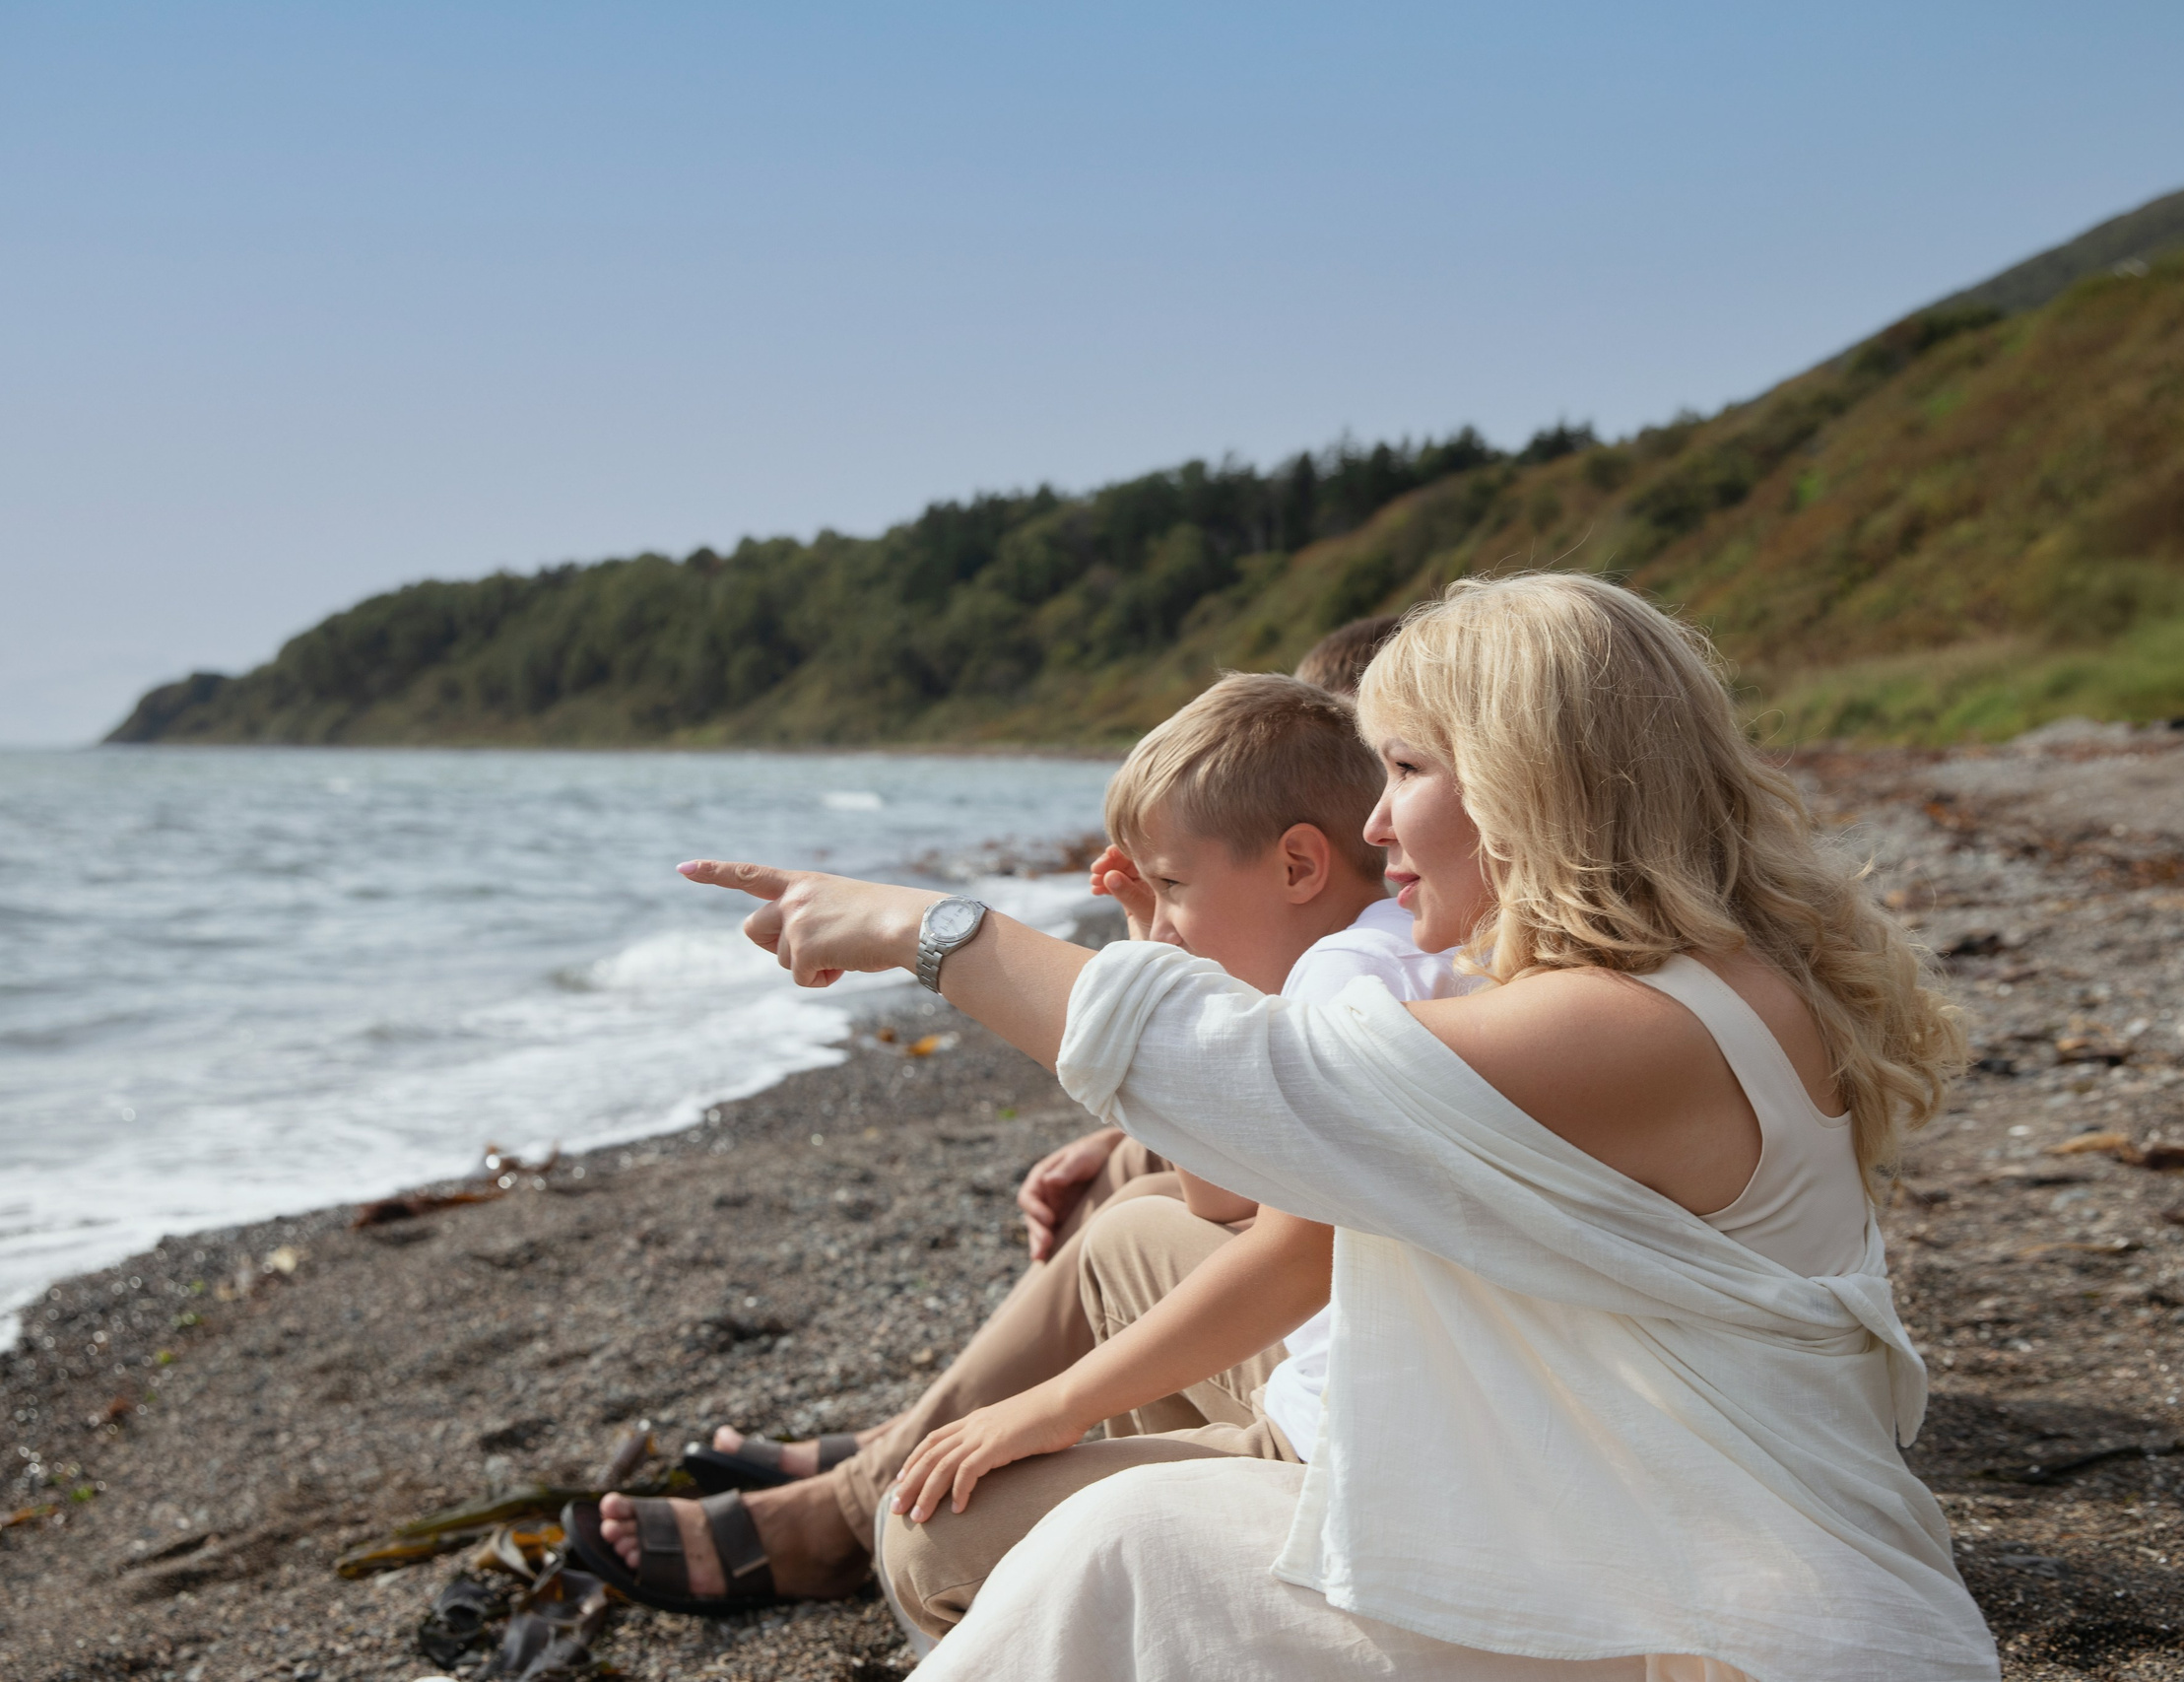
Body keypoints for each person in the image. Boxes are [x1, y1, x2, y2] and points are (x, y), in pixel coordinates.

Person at [661, 572, 2001, 1678]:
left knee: (1118, 1545)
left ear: (1530, 781)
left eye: (1407, 764)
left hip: (1705, 1624)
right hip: (1613, 1535)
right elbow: (1282, 1111)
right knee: (1123, 1529)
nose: (1374, 816)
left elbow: (1276, 1079)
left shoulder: (1645, 1026)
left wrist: (928, 926)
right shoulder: (1672, 981)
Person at [563, 671, 1449, 1614]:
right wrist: (1160, 943)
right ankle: (1164, 1569)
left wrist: (1053, 1405)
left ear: (1300, 867)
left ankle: (1166, 1578)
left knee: (926, 1543)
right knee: (1124, 1231)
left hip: (1366, 1438)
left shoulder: (1349, 976)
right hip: (1371, 1379)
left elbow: (1288, 1253)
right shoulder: (1369, 946)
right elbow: (1218, 1197)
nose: (1163, 906)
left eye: (1175, 883)